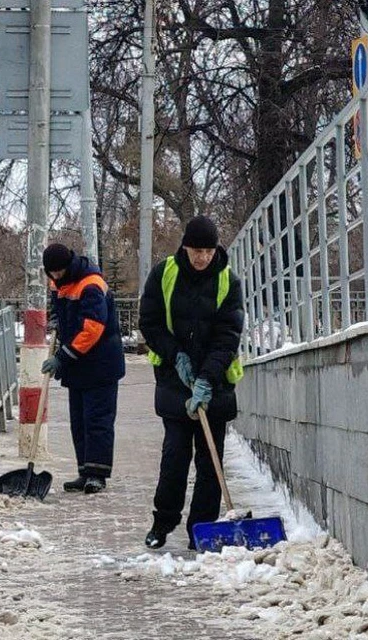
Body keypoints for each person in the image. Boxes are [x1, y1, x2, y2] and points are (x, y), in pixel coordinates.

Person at [139, 216, 244, 550]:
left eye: (208, 251)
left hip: (215, 384)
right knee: (174, 455)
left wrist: (207, 379)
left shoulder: (228, 281)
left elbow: (229, 335)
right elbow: (150, 323)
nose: (202, 258)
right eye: (197, 250)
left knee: (210, 463)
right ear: (185, 246)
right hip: (174, 381)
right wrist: (177, 357)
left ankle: (202, 529)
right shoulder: (164, 274)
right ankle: (162, 522)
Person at [41, 243, 125, 494]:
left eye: (58, 272)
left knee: (97, 420)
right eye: (51, 273)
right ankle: (84, 470)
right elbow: (61, 309)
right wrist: (56, 317)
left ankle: (97, 474)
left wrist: (62, 357)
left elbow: (92, 328)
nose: (55, 277)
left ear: (68, 266)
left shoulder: (91, 284)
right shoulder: (60, 283)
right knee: (79, 422)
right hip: (79, 367)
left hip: (101, 365)